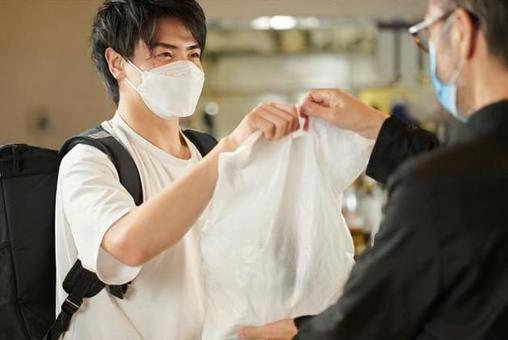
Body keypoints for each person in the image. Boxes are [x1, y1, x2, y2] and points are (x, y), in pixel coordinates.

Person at [240, 0, 508, 339]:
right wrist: (379, 128)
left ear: (460, 33)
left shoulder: (437, 187)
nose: (430, 53)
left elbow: (365, 321)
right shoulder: (462, 178)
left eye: (427, 35)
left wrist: (294, 333)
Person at [54, 1, 300, 339]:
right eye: (165, 55)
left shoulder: (205, 153)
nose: (185, 68)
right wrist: (230, 148)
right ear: (117, 63)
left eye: (193, 54)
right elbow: (124, 248)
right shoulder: (90, 159)